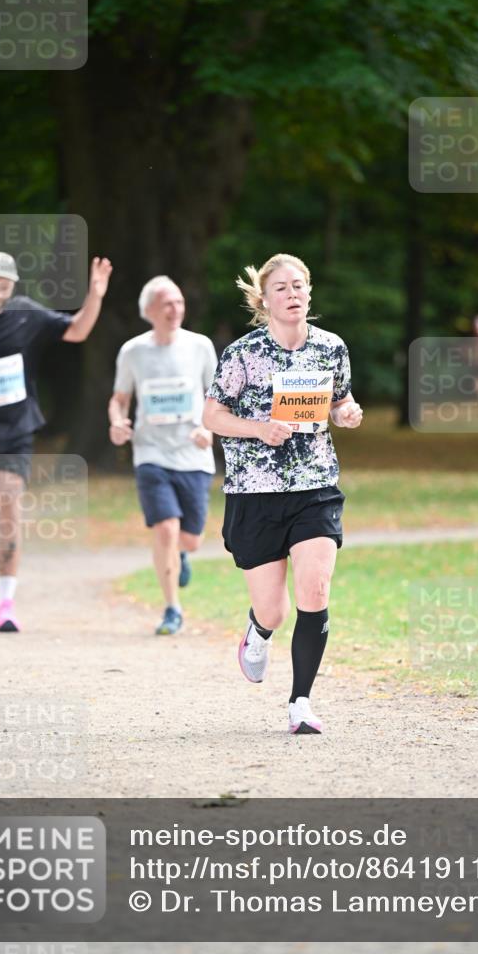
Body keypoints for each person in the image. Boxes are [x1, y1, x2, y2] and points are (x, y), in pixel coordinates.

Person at [202, 252, 363, 735]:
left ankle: (301, 703)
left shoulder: (330, 348)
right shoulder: (243, 354)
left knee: (314, 589)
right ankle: (259, 630)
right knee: (274, 608)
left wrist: (347, 413)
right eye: (281, 289)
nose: (292, 295)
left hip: (315, 486)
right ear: (264, 300)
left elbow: (341, 400)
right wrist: (257, 429)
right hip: (256, 492)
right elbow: (212, 416)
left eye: (298, 286)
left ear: (309, 292)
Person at [0, 251, 113, 631]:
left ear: (12, 284)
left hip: (16, 431)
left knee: (10, 511)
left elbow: (78, 331)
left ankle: (5, 604)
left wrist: (95, 294)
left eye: (6, 284)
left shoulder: (27, 314)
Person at [108, 275, 217, 635]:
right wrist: (118, 422)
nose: (175, 309)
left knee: (190, 539)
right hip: (150, 452)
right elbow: (120, 399)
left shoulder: (200, 346)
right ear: (149, 310)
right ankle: (172, 608)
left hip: (193, 454)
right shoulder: (132, 351)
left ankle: (183, 555)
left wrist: (209, 430)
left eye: (179, 302)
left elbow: (219, 400)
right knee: (166, 530)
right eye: (168, 303)